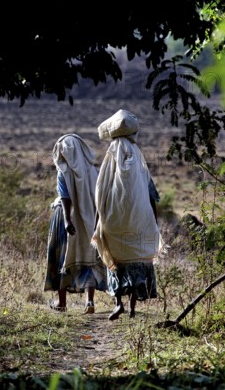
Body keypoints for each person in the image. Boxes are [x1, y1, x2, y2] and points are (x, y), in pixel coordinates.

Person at [91, 109, 162, 320]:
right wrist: (153, 221)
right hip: (139, 221)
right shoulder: (139, 160)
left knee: (117, 262)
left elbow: (100, 192)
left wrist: (98, 220)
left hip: (114, 221)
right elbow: (152, 195)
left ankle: (118, 304)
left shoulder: (111, 157)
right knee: (135, 260)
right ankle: (131, 308)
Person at [44, 134, 108, 314]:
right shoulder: (92, 170)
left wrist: (67, 220)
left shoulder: (63, 171)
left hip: (68, 219)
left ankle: (62, 302)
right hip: (89, 219)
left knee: (63, 258)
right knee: (88, 258)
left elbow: (65, 197)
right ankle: (89, 302)